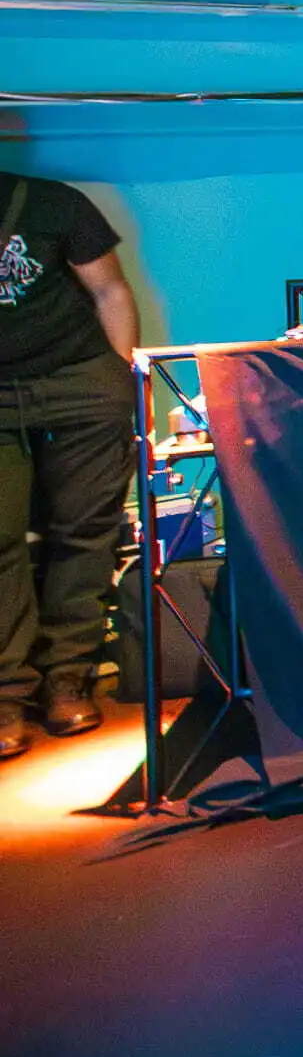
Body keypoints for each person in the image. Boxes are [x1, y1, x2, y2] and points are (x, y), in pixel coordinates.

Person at [0, 172, 141, 754]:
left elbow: (111, 291)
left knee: (85, 529)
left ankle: (67, 677)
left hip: (78, 378)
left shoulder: (52, 202)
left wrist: (128, 385)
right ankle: (7, 693)